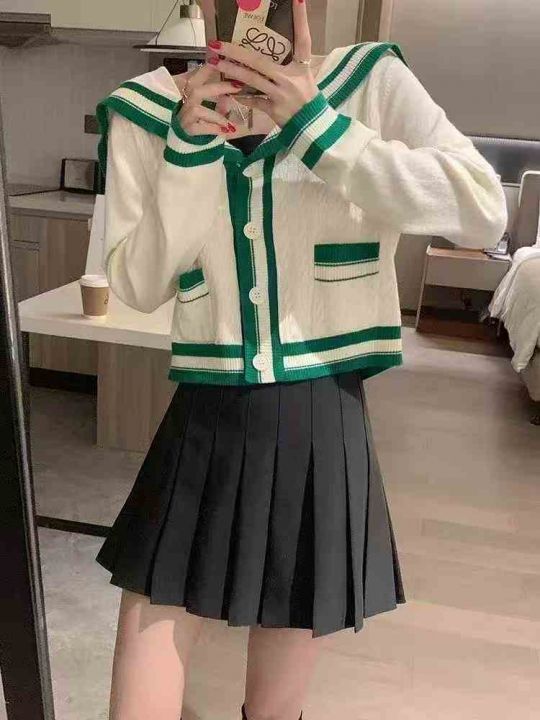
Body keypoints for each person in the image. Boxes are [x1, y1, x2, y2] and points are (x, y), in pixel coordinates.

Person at [94, 1, 508, 718]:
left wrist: (317, 125)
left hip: (323, 403)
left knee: (289, 623)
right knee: (151, 608)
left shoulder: (368, 81)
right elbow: (137, 282)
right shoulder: (145, 108)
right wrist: (187, 150)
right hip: (208, 402)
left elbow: (481, 208)